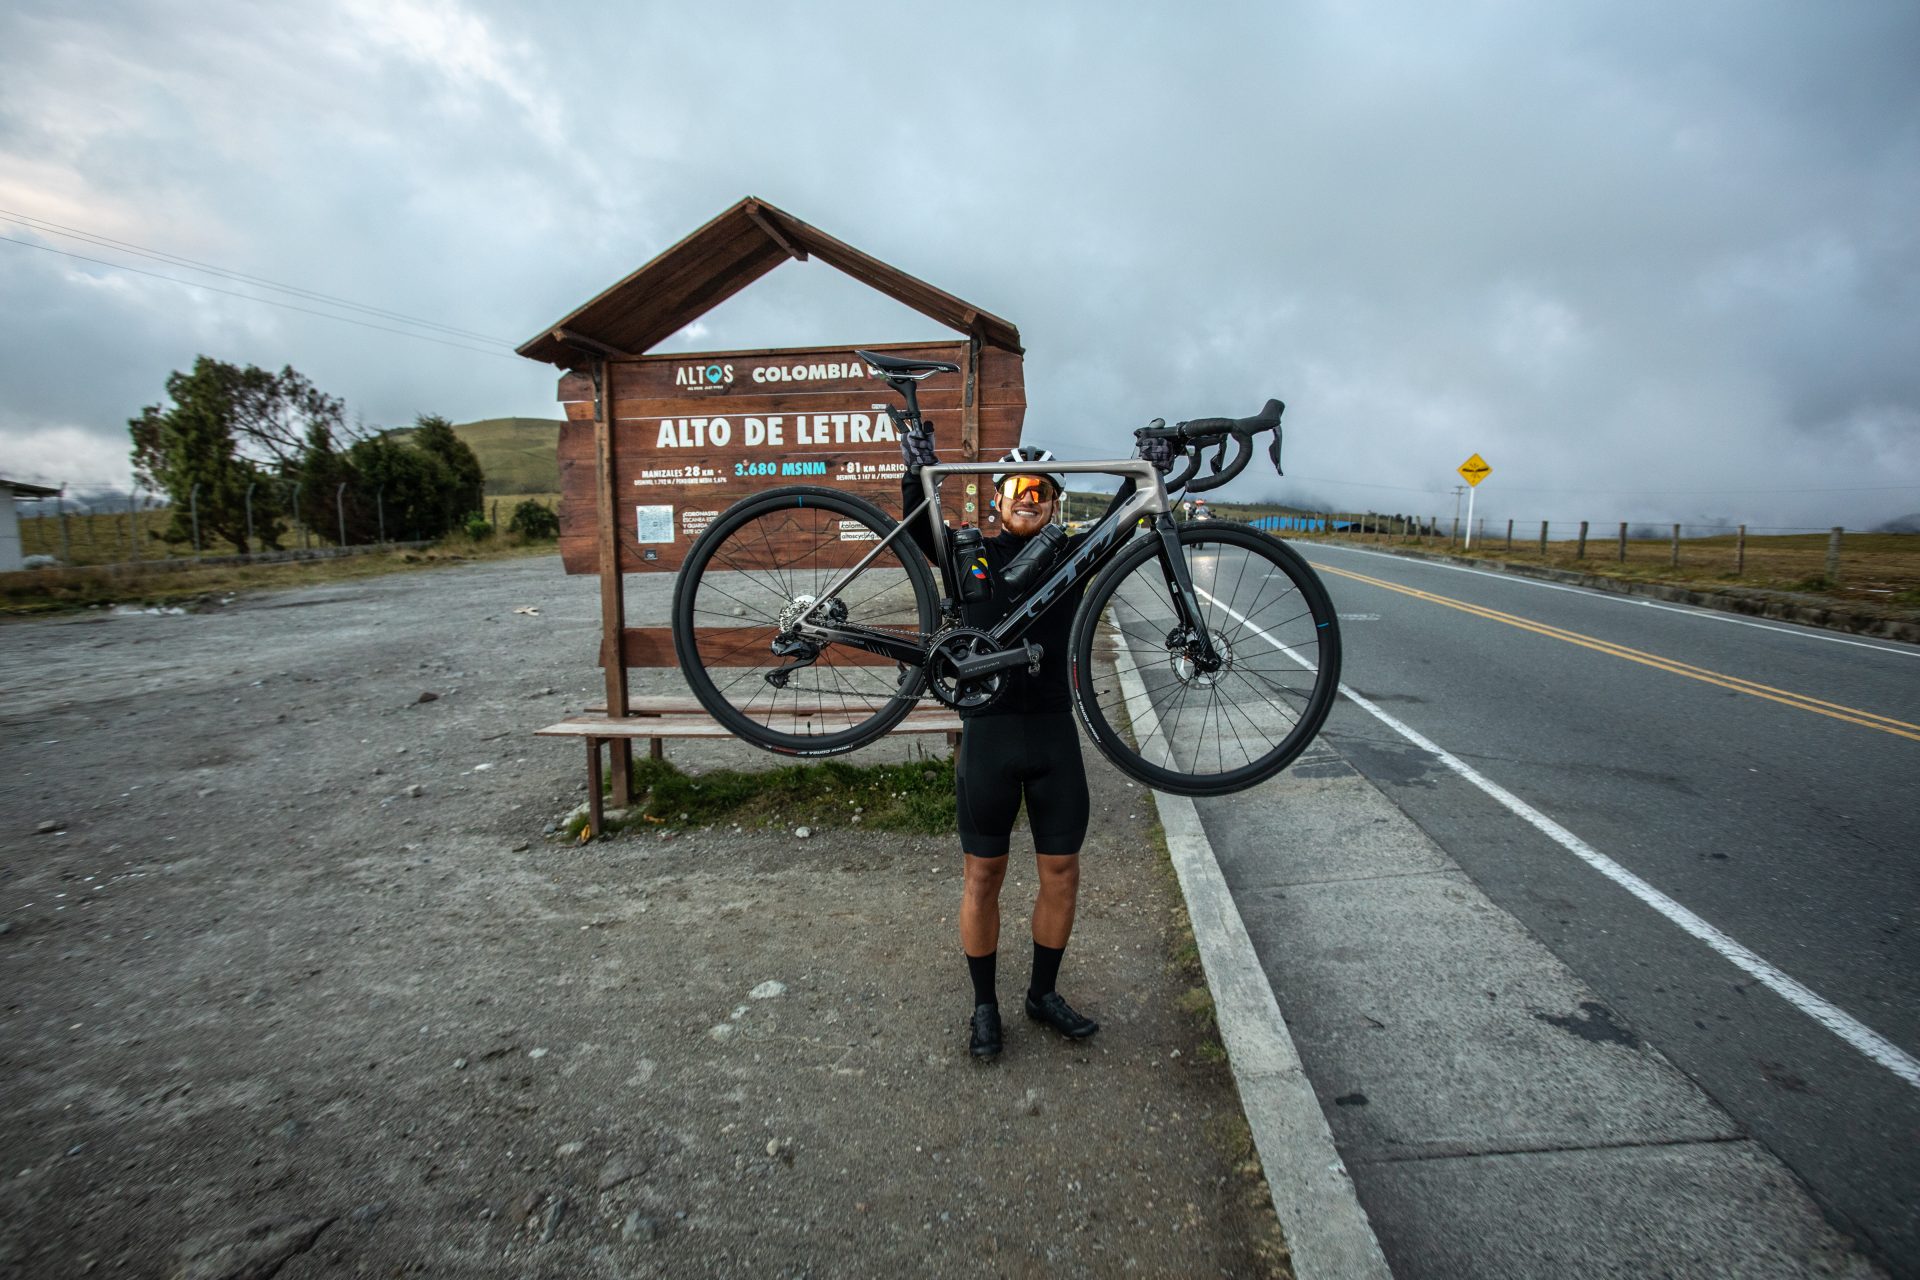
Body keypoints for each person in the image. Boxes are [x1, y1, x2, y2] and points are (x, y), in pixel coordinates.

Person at [899, 432, 1098, 1060]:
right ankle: (984, 1006)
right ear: (998, 495)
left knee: (1061, 872)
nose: (1029, 498)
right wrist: (917, 472)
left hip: (1053, 733)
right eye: (1017, 488)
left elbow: (1130, 514)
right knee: (982, 875)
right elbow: (917, 527)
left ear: (1056, 503)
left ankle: (1042, 995)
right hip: (989, 735)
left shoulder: (1073, 556)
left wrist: (1156, 466)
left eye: (1043, 491)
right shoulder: (971, 555)